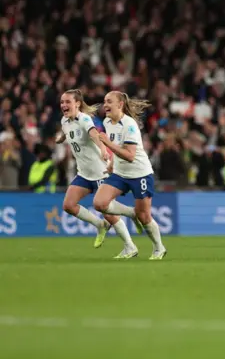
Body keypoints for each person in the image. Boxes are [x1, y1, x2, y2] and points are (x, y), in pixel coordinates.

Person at [57, 89, 138, 255]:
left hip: (101, 172)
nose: (64, 105)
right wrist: (61, 138)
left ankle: (130, 245)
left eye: (68, 102)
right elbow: (68, 132)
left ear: (77, 103)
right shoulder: (64, 121)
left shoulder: (84, 119)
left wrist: (102, 148)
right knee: (68, 205)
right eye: (62, 102)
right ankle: (100, 225)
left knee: (107, 211)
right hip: (84, 174)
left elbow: (94, 134)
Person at [93, 91, 167, 260]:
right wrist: (112, 164)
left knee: (145, 216)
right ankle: (131, 215)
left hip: (139, 174)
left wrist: (107, 143)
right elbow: (118, 148)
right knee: (99, 203)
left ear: (120, 105)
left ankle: (159, 248)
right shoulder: (107, 121)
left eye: (109, 101)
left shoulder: (130, 125)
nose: (105, 105)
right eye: (104, 101)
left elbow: (130, 155)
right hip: (120, 173)